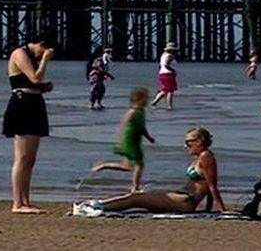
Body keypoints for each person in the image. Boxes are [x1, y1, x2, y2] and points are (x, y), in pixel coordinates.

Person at [76, 127, 226, 215]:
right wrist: (208, 209)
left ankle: (98, 207)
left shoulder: (206, 157)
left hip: (186, 202)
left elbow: (212, 186)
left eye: (188, 143)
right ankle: (98, 204)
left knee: (136, 199)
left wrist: (221, 211)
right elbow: (207, 185)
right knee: (139, 195)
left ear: (199, 142)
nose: (186, 146)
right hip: (182, 197)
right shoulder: (201, 157)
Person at [2, 35, 55, 214]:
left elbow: (34, 84)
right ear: (40, 44)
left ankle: (25, 201)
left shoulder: (32, 57)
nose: (42, 56)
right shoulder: (20, 53)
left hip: (34, 103)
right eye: (43, 51)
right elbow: (34, 78)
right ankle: (17, 203)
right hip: (21, 104)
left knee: (30, 159)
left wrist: (43, 88)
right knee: (22, 158)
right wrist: (45, 61)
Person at [92, 87, 155, 192]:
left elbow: (142, 127)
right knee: (139, 164)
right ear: (138, 99)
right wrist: (122, 140)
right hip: (131, 140)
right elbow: (123, 125)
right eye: (145, 99)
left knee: (127, 166)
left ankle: (104, 165)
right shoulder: (133, 112)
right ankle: (135, 187)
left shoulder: (141, 111)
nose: (147, 101)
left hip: (136, 139)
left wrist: (148, 137)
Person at [151, 42, 178, 110]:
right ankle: (169, 105)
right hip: (168, 74)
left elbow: (161, 65)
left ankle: (154, 102)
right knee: (170, 91)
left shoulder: (163, 55)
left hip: (162, 73)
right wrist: (172, 70)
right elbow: (166, 65)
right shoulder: (170, 56)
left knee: (164, 90)